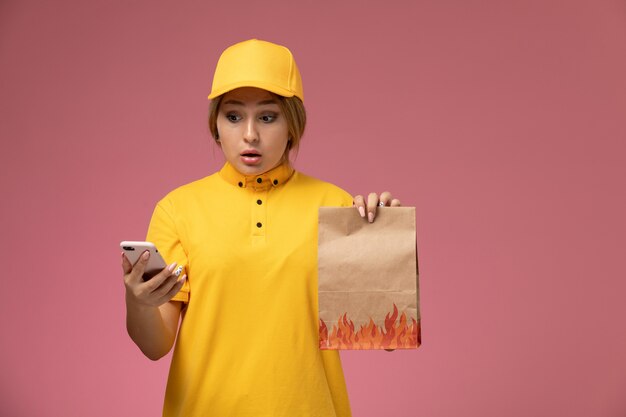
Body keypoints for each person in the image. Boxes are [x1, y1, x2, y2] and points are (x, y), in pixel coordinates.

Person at [122, 39, 401, 417]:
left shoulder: (335, 205)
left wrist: (385, 242)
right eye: (233, 116)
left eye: (268, 117)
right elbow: (155, 346)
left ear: (292, 125)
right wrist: (138, 301)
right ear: (216, 126)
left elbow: (383, 336)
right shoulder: (178, 209)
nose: (249, 134)